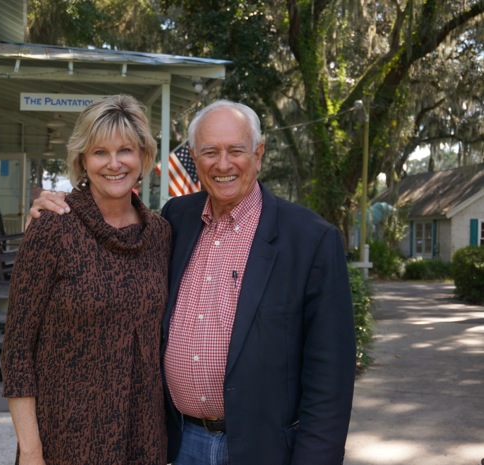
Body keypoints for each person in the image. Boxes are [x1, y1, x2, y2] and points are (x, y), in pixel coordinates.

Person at [29, 99, 356, 465]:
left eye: (236, 150)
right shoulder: (174, 221)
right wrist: (56, 208)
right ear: (195, 158)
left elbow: (330, 381)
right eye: (210, 152)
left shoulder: (310, 240)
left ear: (259, 153)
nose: (223, 164)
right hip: (179, 444)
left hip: (262, 450)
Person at [1, 94, 171, 465]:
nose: (114, 164)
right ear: (82, 160)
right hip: (64, 441)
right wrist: (30, 451)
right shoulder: (52, 227)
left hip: (144, 439)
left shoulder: (160, 234)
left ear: (143, 156)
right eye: (99, 152)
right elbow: (17, 351)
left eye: (125, 150)